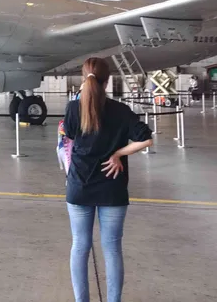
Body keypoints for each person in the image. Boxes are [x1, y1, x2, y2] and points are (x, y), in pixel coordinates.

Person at [63, 57, 153, 302]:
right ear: (108, 80)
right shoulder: (121, 110)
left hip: (80, 186)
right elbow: (146, 139)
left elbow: (69, 134)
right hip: (113, 187)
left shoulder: (73, 108)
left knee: (80, 246)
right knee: (112, 249)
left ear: (84, 79)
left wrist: (81, 95)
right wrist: (118, 153)